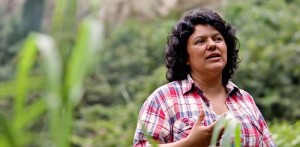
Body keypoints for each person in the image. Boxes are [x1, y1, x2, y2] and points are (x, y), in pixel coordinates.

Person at [133, 8, 276, 147]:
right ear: (185, 57)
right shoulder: (164, 99)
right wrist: (189, 144)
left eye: (218, 39)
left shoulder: (245, 100)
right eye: (200, 41)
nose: (212, 45)